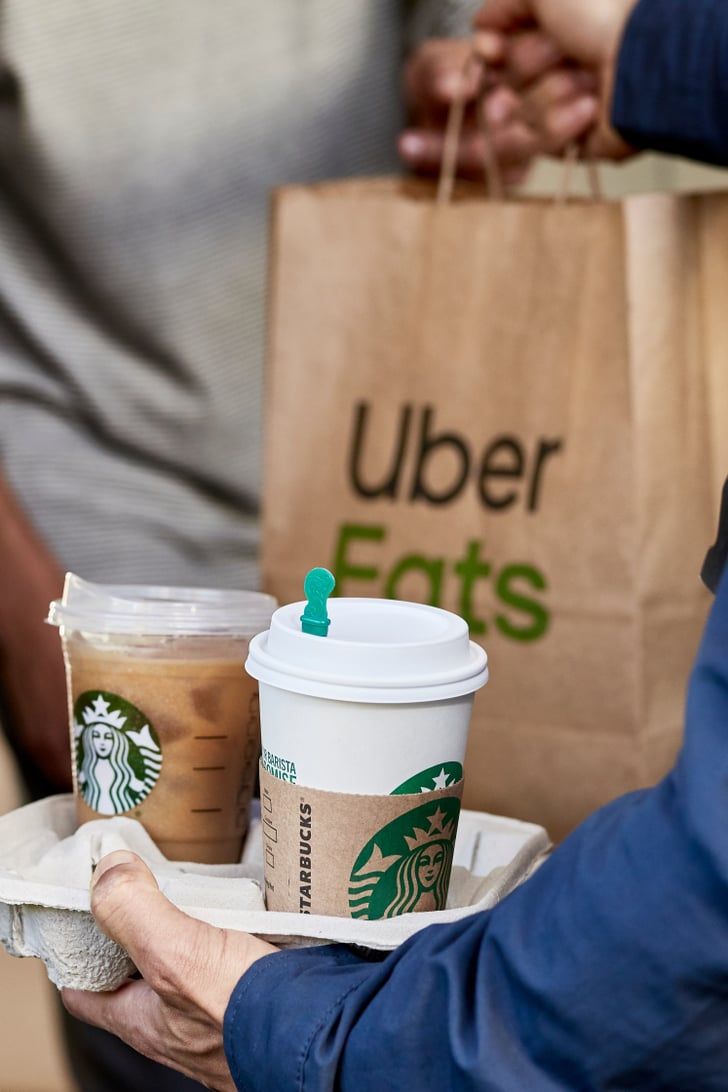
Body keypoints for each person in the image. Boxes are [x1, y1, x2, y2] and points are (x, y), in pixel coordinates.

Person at [61, 2, 728, 1089]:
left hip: (461, 987)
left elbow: (695, 915)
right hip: (125, 534)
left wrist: (305, 1037)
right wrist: (650, 57)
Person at [0, 4, 524, 1090]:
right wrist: (32, 612)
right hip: (112, 541)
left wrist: (469, 86)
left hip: (377, 482)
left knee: (390, 977)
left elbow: (463, 30)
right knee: (165, 1003)